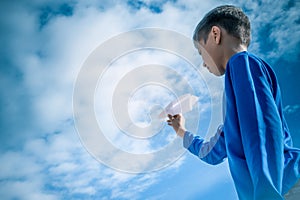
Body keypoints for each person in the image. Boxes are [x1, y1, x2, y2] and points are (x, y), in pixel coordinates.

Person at [167, 5, 300, 200]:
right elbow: (211, 153)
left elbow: (261, 130)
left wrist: (266, 193)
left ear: (215, 34)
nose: (203, 62)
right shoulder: (234, 112)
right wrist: (181, 131)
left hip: (285, 185)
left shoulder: (242, 63)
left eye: (200, 51)